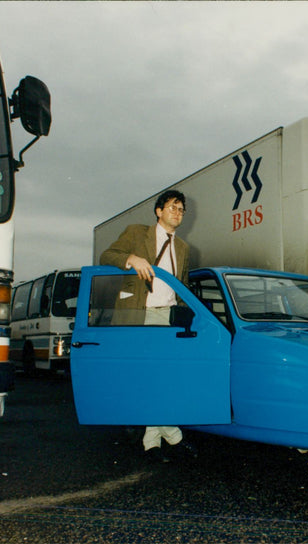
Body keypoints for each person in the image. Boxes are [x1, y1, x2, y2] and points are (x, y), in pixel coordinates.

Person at [99, 189, 197, 463]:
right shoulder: (136, 232)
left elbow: (183, 286)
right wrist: (131, 259)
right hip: (139, 315)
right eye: (172, 207)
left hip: (167, 318)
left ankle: (151, 441)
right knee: (153, 377)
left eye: (181, 209)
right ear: (158, 211)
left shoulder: (183, 248)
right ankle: (172, 437)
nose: (177, 213)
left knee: (158, 379)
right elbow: (107, 256)